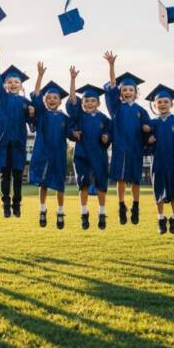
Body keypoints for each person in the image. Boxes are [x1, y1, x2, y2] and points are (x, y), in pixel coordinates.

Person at [103, 51, 151, 226]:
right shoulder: (116, 107)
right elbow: (112, 87)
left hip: (136, 150)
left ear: (136, 92)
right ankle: (121, 206)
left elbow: (149, 129)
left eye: (131, 89)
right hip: (120, 149)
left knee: (136, 180)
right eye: (124, 90)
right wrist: (111, 66)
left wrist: (147, 130)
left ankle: (135, 207)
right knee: (121, 179)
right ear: (120, 93)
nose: (127, 92)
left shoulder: (141, 111)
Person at [0, 47, 32, 218]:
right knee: (5, 176)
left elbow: (32, 122)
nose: (12, 84)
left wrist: (32, 113)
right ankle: (5, 204)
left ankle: (17, 205)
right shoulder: (1, 98)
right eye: (9, 82)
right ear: (5, 85)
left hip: (19, 143)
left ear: (21, 85)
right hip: (4, 143)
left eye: (16, 82)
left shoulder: (25, 102)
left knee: (18, 176)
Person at [29, 62, 74, 229]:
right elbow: (36, 96)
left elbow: (69, 133)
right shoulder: (42, 114)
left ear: (60, 101)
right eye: (49, 98)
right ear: (45, 101)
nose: (52, 100)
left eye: (55, 98)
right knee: (43, 183)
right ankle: (42, 209)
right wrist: (40, 76)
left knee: (59, 183)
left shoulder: (65, 118)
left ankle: (60, 211)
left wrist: (74, 135)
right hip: (42, 152)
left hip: (59, 153)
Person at [66, 67, 111, 230]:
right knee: (83, 185)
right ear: (82, 103)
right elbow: (72, 103)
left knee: (101, 185)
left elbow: (109, 134)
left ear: (98, 102)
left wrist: (107, 138)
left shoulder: (104, 119)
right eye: (86, 101)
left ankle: (102, 213)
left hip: (99, 155)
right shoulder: (79, 116)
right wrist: (73, 81)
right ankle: (84, 214)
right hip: (82, 155)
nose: (89, 103)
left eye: (92, 101)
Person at [144, 84, 174, 235]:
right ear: (154, 105)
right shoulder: (151, 123)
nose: (162, 104)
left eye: (165, 102)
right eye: (159, 102)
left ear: (171, 104)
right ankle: (161, 218)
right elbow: (143, 143)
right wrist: (148, 141)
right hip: (157, 161)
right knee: (158, 190)